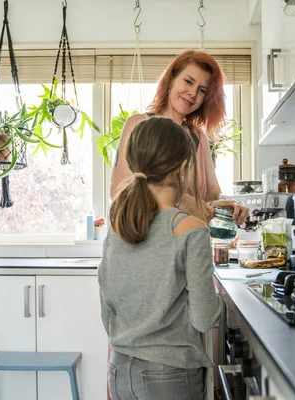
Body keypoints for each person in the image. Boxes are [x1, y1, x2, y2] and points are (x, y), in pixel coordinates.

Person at [99, 117, 223, 400]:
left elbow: (108, 314)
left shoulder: (116, 230)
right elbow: (204, 318)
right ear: (182, 168)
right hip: (170, 376)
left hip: (119, 373)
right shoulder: (191, 230)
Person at [110, 49, 249, 224]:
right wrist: (181, 199)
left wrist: (230, 205)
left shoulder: (198, 137)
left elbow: (212, 195)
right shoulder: (138, 124)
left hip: (187, 239)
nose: (193, 93)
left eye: (202, 90)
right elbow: (118, 190)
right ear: (171, 80)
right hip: (145, 239)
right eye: (188, 81)